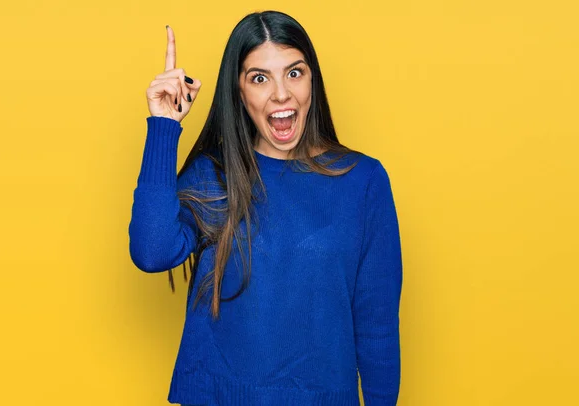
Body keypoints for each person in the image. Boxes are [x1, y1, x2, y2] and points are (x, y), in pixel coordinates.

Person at [128, 10, 403, 406]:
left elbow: (377, 326)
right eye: (259, 78)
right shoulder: (215, 174)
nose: (280, 94)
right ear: (239, 92)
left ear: (313, 80)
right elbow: (152, 252)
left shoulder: (363, 182)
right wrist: (163, 126)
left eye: (294, 73)